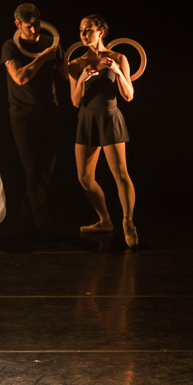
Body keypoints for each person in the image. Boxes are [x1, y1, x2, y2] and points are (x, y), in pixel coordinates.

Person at [67, 14, 137, 247]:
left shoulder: (119, 58)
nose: (83, 34)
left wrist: (117, 71)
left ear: (101, 32)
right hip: (87, 118)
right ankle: (105, 220)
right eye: (81, 30)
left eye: (88, 29)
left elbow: (128, 95)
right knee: (84, 178)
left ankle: (128, 222)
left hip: (109, 117)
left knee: (120, 174)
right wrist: (82, 80)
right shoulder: (76, 64)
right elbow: (75, 101)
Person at [1, 3, 65, 241]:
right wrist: (41, 58)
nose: (35, 29)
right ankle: (44, 227)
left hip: (50, 113)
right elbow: (19, 77)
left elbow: (68, 74)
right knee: (32, 170)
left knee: (45, 171)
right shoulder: (10, 47)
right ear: (18, 25)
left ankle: (26, 218)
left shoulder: (52, 42)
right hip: (23, 116)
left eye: (37, 23)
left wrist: (95, 67)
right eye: (29, 26)